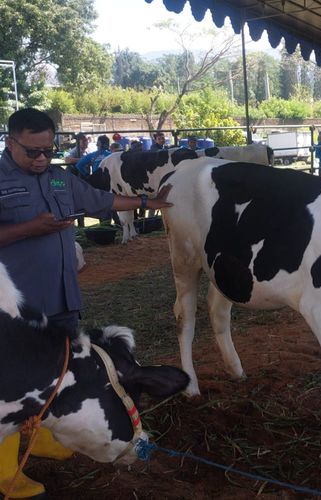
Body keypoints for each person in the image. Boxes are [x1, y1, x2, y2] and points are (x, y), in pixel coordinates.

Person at [0, 108, 172, 498]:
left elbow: (101, 201)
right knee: (18, 381)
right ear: (10, 142)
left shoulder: (60, 176)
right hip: (17, 311)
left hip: (62, 298)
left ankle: (40, 437)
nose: (42, 158)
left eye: (50, 148)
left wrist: (149, 201)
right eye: (32, 152)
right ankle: (4, 471)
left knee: (57, 372)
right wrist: (31, 228)